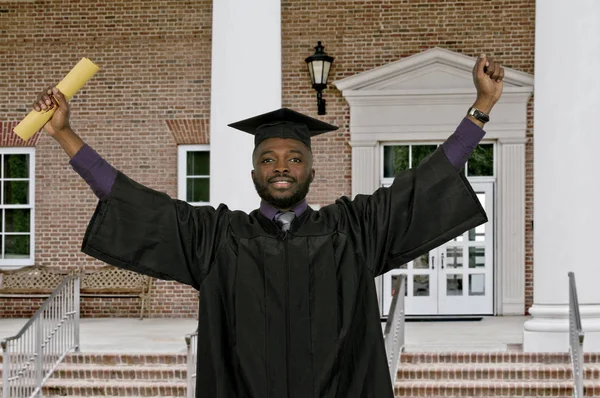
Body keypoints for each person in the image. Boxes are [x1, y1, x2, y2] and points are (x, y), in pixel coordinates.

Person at [32, 53, 504, 398]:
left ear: (312, 170)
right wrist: (64, 134)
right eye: (269, 158)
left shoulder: (353, 231)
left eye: (295, 158)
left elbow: (423, 185)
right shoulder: (216, 238)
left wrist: (480, 109)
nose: (282, 167)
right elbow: (135, 202)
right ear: (254, 171)